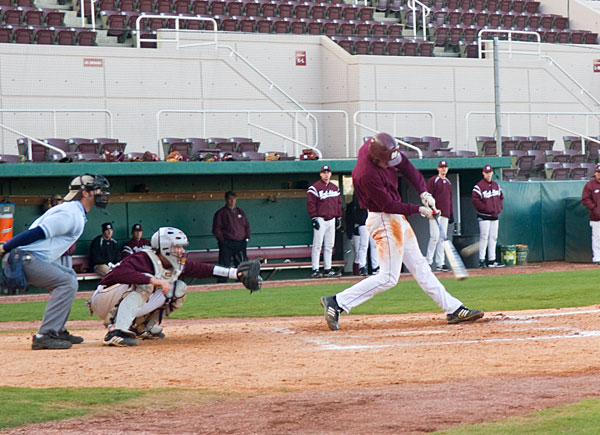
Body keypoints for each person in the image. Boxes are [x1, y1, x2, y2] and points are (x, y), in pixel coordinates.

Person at [319, 133, 483, 331]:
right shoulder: (366, 174)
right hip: (382, 219)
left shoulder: (382, 149)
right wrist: (419, 210)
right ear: (377, 158)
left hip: (395, 218)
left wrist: (424, 191)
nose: (392, 163)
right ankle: (336, 302)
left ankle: (453, 309)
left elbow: (407, 167)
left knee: (421, 266)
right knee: (388, 278)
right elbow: (388, 205)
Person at [90, 227, 261, 346]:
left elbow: (201, 269)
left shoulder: (174, 264)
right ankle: (116, 332)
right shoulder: (143, 257)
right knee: (147, 285)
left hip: (121, 299)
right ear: (165, 247)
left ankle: (141, 327)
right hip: (104, 297)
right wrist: (153, 281)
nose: (180, 251)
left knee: (178, 288)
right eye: (177, 247)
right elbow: (120, 274)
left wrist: (234, 274)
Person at [0, 174, 110, 349]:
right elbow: (37, 233)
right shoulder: (70, 213)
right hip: (24, 258)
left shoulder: (75, 211)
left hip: (29, 257)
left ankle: (57, 329)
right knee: (66, 282)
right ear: (85, 193)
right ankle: (45, 334)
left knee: (69, 276)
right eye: (97, 189)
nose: (101, 193)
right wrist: (6, 246)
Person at [307, 165, 343, 278]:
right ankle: (315, 269)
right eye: (324, 172)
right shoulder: (315, 187)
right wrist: (313, 218)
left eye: (328, 172)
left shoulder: (334, 187)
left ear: (331, 174)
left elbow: (338, 204)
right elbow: (310, 204)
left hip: (332, 219)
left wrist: (339, 217)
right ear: (321, 174)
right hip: (320, 218)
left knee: (329, 245)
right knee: (317, 245)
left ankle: (328, 268)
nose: (326, 174)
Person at [212, 191, 250, 283]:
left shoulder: (240, 212)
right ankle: (222, 285)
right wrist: (222, 241)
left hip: (240, 242)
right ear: (226, 200)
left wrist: (246, 238)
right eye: (230, 199)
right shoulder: (221, 213)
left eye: (234, 199)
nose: (232, 201)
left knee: (241, 265)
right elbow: (216, 228)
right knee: (224, 266)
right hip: (227, 243)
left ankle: (242, 283)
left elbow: (246, 226)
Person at [472, 164, 505, 268]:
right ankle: (481, 259)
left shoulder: (495, 185)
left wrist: (498, 209)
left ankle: (492, 260)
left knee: (493, 237)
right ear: (483, 173)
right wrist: (486, 209)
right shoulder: (478, 186)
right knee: (484, 237)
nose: (488, 174)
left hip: (494, 215)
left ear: (492, 172)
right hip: (484, 216)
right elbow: (475, 201)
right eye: (486, 173)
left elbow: (501, 197)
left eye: (490, 172)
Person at [426, 160, 452, 272]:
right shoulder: (433, 180)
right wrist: (432, 210)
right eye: (441, 167)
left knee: (442, 238)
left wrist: (451, 213)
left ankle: (440, 263)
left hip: (445, 213)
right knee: (434, 237)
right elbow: (427, 197)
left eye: (445, 167)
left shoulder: (448, 182)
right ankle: (428, 262)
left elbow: (450, 200)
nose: (443, 169)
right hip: (435, 213)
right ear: (438, 169)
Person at [345, 191, 379, 276]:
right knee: (364, 245)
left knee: (374, 245)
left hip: (373, 223)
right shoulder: (359, 195)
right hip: (363, 223)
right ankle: (362, 266)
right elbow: (357, 211)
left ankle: (375, 266)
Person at [581, 163, 600, 265]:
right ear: (595, 173)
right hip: (596, 217)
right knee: (597, 237)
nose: (599, 174)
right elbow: (585, 199)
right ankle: (597, 258)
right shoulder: (590, 184)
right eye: (598, 172)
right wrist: (594, 208)